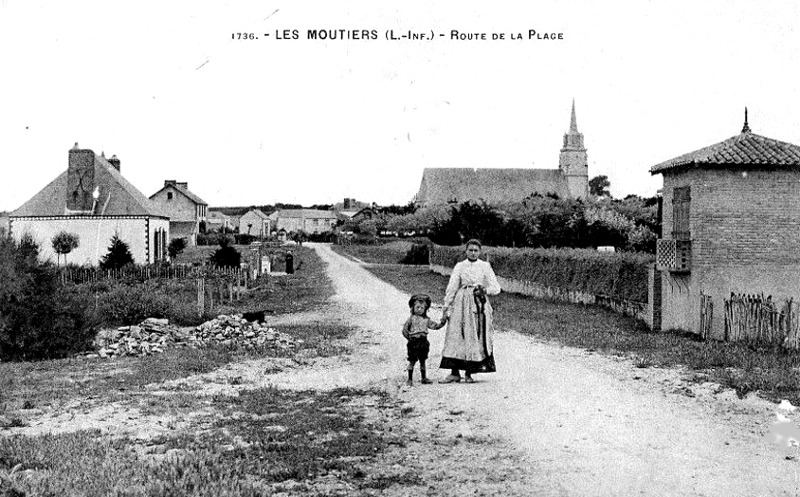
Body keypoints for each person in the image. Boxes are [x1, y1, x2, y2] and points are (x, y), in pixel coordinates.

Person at [439, 239, 501, 384]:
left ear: (480, 252)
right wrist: (447, 305)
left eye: (476, 250)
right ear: (466, 251)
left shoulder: (485, 266)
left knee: (473, 336)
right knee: (456, 335)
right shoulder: (460, 266)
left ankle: (469, 373)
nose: (473, 253)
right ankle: (454, 373)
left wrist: (485, 290)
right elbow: (452, 286)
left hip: (478, 303)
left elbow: (496, 287)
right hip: (461, 302)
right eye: (470, 250)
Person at [402, 293, 447, 386]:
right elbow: (405, 331)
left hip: (423, 341)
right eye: (417, 307)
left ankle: (424, 378)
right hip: (413, 342)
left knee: (423, 360)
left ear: (425, 309)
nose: (419, 310)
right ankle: (409, 379)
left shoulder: (427, 320)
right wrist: (410, 339)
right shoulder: (410, 319)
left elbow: (435, 326)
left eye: (422, 308)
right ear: (413, 307)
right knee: (412, 361)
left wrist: (443, 322)